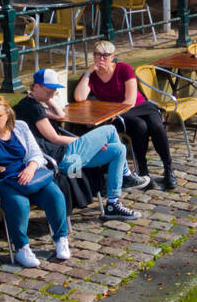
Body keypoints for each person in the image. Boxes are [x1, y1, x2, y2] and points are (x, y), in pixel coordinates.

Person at [15, 68, 149, 204]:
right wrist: (88, 142)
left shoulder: (30, 105)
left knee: (119, 150)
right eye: (49, 90)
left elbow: (60, 115)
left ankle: (113, 202)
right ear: (36, 87)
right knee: (110, 129)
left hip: (64, 156)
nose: (52, 94)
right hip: (61, 158)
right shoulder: (33, 108)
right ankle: (125, 175)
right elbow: (55, 138)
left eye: (54, 90)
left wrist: (47, 98)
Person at [0, 96, 71, 268]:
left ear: (7, 115)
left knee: (55, 195)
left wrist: (30, 168)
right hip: (2, 181)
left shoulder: (20, 127)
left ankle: (61, 238)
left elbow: (36, 154)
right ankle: (22, 248)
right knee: (19, 204)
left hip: (29, 175)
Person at [73, 41, 176, 190]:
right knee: (140, 127)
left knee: (157, 127)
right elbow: (79, 97)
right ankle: (143, 170)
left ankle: (168, 169)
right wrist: (88, 72)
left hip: (138, 106)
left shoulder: (124, 69)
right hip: (118, 114)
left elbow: (130, 100)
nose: (101, 59)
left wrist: (116, 114)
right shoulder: (93, 76)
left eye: (105, 55)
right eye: (97, 55)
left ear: (113, 56)